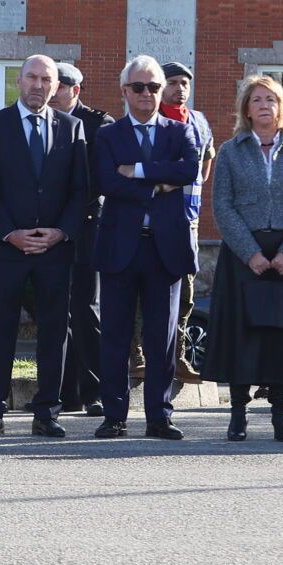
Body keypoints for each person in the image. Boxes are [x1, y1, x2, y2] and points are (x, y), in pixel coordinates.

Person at [0, 54, 89, 438]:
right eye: (32, 78)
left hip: (54, 251)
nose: (38, 85)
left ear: (56, 87)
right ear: (19, 82)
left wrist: (61, 232)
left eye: (46, 79)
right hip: (6, 249)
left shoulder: (71, 127)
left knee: (54, 332)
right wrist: (10, 232)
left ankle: (47, 412)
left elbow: (81, 190)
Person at [204, 75, 283, 442]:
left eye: (271, 99)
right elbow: (222, 206)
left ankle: (280, 415)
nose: (265, 105)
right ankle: (238, 414)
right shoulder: (230, 151)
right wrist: (250, 253)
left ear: (282, 107)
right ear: (247, 109)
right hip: (244, 257)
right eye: (257, 99)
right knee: (243, 338)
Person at [93, 55, 201, 439]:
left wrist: (137, 171)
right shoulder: (108, 135)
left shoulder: (180, 132)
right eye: (138, 87)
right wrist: (159, 183)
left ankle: (159, 416)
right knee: (115, 336)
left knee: (163, 338)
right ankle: (114, 415)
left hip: (165, 249)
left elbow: (189, 170)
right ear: (124, 90)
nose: (146, 93)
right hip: (120, 247)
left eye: (154, 87)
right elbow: (106, 181)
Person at [53, 60, 112, 416]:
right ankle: (62, 392)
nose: (53, 92)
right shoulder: (42, 121)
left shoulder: (98, 125)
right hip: (49, 228)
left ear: (75, 90)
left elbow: (99, 179)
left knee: (86, 310)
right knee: (55, 310)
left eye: (60, 86)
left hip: (87, 226)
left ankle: (96, 391)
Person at [158, 63, 214, 384]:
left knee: (186, 290)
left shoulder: (199, 120)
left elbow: (207, 159)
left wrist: (193, 188)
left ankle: (178, 354)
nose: (180, 89)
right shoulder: (151, 119)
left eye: (185, 83)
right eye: (173, 82)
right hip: (152, 218)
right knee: (146, 288)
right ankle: (139, 353)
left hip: (187, 220)